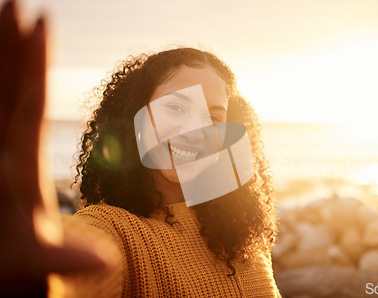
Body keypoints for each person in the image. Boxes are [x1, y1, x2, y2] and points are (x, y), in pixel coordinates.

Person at [0, 1, 280, 297]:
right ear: (135, 118)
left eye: (212, 117)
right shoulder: (108, 229)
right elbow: (71, 284)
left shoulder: (238, 232)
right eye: (175, 107)